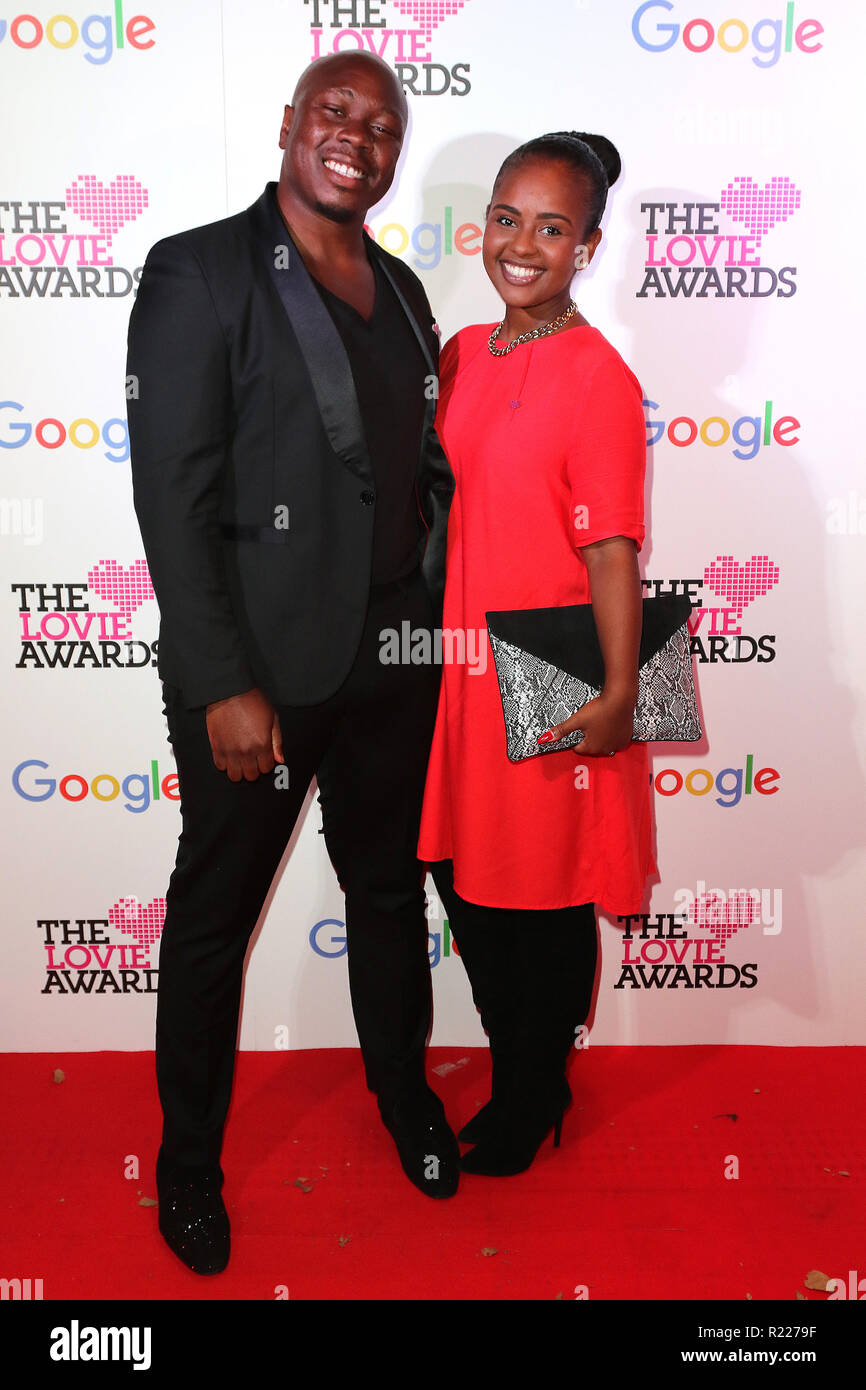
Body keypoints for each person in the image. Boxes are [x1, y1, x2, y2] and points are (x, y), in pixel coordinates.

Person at [126, 51, 458, 1275]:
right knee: (214, 922)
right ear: (287, 123)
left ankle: (405, 1103)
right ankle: (188, 1172)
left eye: (381, 126)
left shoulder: (408, 288)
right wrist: (221, 681)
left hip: (390, 664)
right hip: (254, 676)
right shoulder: (199, 270)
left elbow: (421, 481)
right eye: (336, 111)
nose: (356, 138)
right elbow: (174, 491)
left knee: (385, 899)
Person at [418, 131, 656, 1176]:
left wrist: (614, 690)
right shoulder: (463, 350)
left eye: (551, 227)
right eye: (506, 218)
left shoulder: (599, 378)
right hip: (456, 666)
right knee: (458, 873)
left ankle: (530, 1087)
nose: (521, 244)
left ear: (587, 246)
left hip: (547, 667)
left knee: (544, 893)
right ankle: (525, 1055)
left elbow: (611, 550)